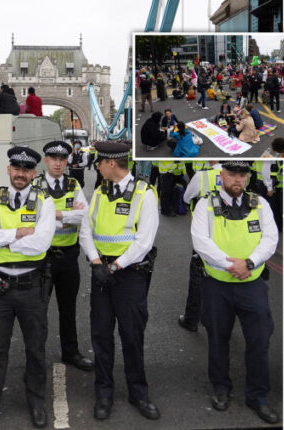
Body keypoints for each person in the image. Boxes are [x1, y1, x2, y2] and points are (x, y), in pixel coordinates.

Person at [0, 147, 55, 430]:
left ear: (33, 173)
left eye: (27, 170)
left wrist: (2, 239)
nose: (20, 174)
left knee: (35, 348)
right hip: (0, 288)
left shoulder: (45, 202)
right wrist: (18, 233)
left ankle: (36, 401)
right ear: (9, 170)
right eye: (16, 169)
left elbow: (40, 246)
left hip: (32, 286)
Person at [191, 161, 280, 424]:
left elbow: (270, 239)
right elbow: (201, 242)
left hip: (251, 284)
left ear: (248, 176)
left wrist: (249, 264)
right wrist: (232, 265)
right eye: (232, 174)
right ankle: (221, 388)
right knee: (218, 339)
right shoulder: (204, 205)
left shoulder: (260, 204)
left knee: (259, 341)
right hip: (217, 284)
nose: (237, 179)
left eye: (242, 174)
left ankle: (258, 396)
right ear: (222, 175)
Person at [79, 141, 161, 421]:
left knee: (132, 335)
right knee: (101, 335)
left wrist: (114, 266)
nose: (97, 168)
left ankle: (139, 393)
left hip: (130, 276)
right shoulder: (100, 192)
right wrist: (95, 260)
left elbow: (144, 241)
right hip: (102, 271)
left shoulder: (145, 193)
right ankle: (104, 394)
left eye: (99, 163)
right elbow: (86, 230)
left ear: (111, 163)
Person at [33, 141, 93, 372]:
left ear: (67, 161)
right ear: (46, 160)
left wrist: (55, 214)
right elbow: (32, 217)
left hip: (69, 257)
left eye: (62, 159)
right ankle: (36, 355)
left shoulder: (73, 183)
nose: (58, 163)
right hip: (42, 258)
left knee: (68, 308)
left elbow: (85, 216)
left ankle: (71, 352)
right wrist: (68, 214)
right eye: (53, 159)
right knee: (38, 310)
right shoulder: (36, 185)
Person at [178, 161, 223, 332]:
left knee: (198, 275)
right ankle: (219, 320)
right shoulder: (239, 175)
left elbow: (186, 197)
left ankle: (191, 320)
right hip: (230, 232)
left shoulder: (203, 175)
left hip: (205, 230)